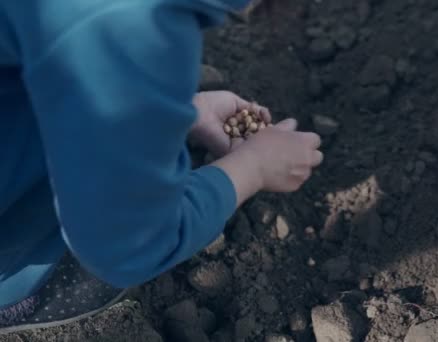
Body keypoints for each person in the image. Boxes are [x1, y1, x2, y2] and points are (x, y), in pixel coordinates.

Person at [0, 0, 322, 333]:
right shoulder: (129, 24)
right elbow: (127, 244)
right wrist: (252, 167)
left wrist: (175, 111)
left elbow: (63, 62)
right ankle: (13, 288)